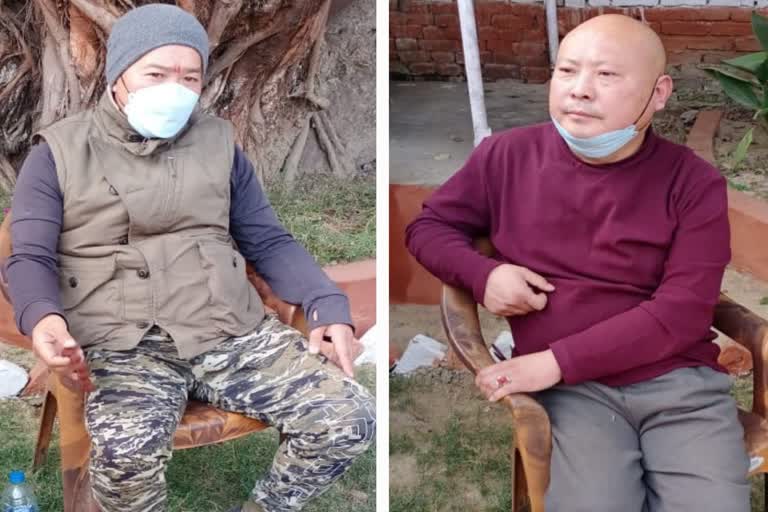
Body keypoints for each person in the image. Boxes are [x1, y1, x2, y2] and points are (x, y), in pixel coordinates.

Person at [6, 5, 375, 512]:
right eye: (156, 74)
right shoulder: (59, 153)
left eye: (189, 77)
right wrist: (42, 317)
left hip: (227, 328)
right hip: (123, 342)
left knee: (346, 418)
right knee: (125, 458)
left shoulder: (218, 143)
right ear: (120, 75)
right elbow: (27, 255)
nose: (173, 88)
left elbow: (267, 239)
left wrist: (325, 302)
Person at [406, 13, 749, 512]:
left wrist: (549, 363)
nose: (580, 91)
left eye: (607, 75)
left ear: (659, 93)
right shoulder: (505, 157)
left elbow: (683, 313)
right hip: (575, 394)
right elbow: (428, 228)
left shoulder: (692, 182)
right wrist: (485, 275)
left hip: (679, 386)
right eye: (566, 71)